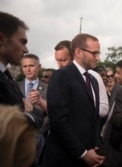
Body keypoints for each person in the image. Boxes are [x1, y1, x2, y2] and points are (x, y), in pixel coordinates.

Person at [42, 33, 105, 167]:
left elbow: (92, 119)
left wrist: (94, 149)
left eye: (98, 53)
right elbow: (58, 122)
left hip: (88, 157)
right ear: (78, 52)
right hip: (63, 159)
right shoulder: (61, 76)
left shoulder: (93, 80)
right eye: (94, 53)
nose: (98, 58)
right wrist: (82, 153)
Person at [0, 11, 44, 128]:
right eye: (22, 42)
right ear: (1, 39)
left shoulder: (7, 77)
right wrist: (27, 115)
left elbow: (39, 115)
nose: (26, 50)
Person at [54, 40, 109, 117]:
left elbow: (104, 109)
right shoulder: (56, 78)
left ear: (74, 56)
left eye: (63, 60)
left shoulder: (94, 77)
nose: (59, 65)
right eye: (57, 60)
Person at [102, 58, 122, 167]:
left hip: (121, 148)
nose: (115, 76)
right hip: (107, 144)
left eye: (118, 73)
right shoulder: (116, 89)